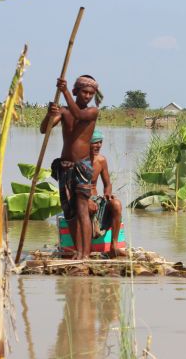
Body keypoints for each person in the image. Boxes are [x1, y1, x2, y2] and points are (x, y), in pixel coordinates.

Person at [42, 75, 102, 259]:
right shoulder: (64, 110)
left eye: (91, 93)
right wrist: (50, 114)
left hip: (82, 166)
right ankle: (78, 250)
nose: (88, 96)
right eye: (84, 92)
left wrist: (64, 90)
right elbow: (45, 129)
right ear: (77, 91)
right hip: (65, 167)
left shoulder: (92, 112)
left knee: (83, 209)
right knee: (70, 211)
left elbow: (79, 114)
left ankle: (85, 254)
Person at [89, 130, 126, 258]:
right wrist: (86, 200)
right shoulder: (79, 160)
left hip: (96, 200)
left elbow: (107, 183)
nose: (98, 145)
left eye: (100, 142)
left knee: (116, 204)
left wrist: (107, 194)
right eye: (94, 142)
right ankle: (85, 248)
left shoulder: (101, 160)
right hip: (82, 200)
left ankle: (113, 246)